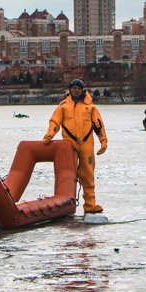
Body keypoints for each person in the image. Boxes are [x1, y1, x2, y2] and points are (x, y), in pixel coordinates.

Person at [43, 78, 108, 214]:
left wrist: (103, 141)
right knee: (68, 174)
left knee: (88, 175)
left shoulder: (90, 108)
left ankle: (90, 204)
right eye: (74, 88)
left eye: (79, 88)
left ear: (82, 90)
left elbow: (98, 125)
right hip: (69, 144)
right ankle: (67, 204)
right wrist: (49, 135)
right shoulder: (62, 107)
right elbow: (55, 122)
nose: (76, 90)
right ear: (70, 89)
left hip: (86, 144)